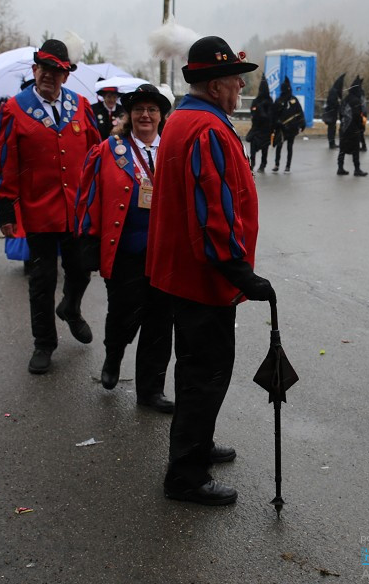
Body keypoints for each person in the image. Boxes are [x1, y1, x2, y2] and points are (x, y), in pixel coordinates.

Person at [148, 35, 275, 506]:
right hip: (204, 278)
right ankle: (185, 474)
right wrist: (238, 269)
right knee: (205, 373)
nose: (241, 87)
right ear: (216, 83)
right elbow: (214, 211)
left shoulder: (185, 119)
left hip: (187, 272)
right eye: (236, 80)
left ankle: (196, 447)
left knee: (198, 371)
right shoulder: (207, 129)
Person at [0, 39, 101, 375]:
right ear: (34, 70)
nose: (50, 76)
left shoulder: (81, 106)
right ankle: (44, 344)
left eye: (57, 71)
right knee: (42, 279)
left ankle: (71, 307)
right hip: (39, 211)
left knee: (81, 269)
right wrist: (5, 207)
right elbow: (4, 160)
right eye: (45, 70)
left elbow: (96, 155)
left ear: (65, 76)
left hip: (76, 210)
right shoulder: (14, 109)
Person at [75, 84, 174, 413]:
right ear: (129, 115)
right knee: (122, 315)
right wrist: (88, 240)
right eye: (139, 109)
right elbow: (90, 198)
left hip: (164, 255)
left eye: (152, 109)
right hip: (124, 253)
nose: (145, 115)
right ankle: (113, 357)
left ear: (161, 116)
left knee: (160, 325)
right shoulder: (109, 149)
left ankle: (151, 391)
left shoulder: (173, 149)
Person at [272, 76, 305, 172]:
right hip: (281, 128)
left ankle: (288, 166)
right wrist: (276, 123)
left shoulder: (294, 100)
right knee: (279, 146)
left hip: (292, 128)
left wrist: (302, 124)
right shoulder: (279, 100)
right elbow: (274, 114)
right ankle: (277, 164)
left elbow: (300, 113)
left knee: (289, 147)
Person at [337, 76, 368, 176]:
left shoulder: (345, 99)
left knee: (342, 149)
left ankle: (340, 168)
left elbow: (340, 113)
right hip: (353, 129)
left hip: (343, 127)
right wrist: (361, 127)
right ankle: (357, 169)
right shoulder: (356, 101)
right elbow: (357, 116)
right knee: (355, 149)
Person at [246, 79, 273, 172]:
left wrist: (260, 111)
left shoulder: (269, 101)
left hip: (265, 129)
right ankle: (253, 163)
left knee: (264, 149)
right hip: (257, 128)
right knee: (253, 148)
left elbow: (270, 116)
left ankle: (263, 164)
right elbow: (253, 112)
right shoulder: (256, 101)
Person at [323, 73, 345, 149]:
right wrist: (338, 105)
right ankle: (331, 143)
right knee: (331, 129)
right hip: (331, 113)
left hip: (332, 113)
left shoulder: (334, 90)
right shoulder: (334, 92)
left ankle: (332, 143)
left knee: (332, 128)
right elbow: (332, 102)